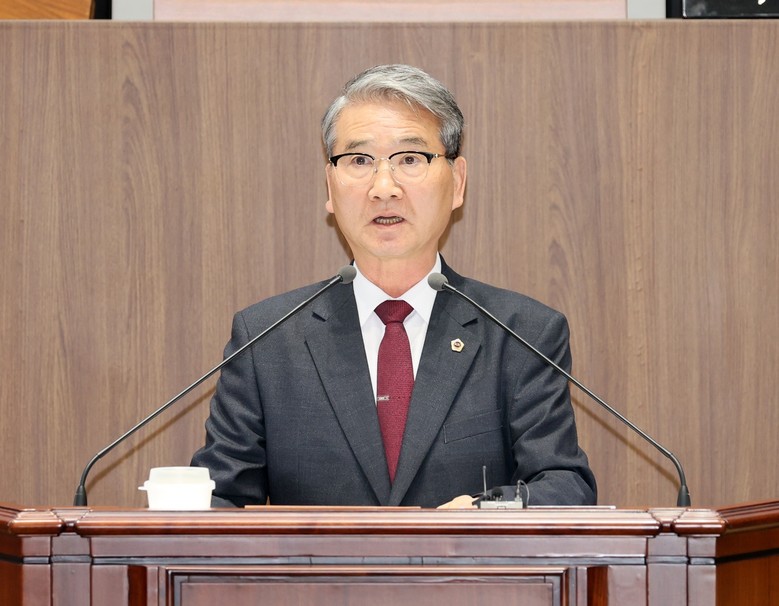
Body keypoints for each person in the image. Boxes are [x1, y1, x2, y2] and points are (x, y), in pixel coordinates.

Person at [191, 64, 596, 508]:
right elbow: (217, 499)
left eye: (410, 159)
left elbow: (565, 487)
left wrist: (482, 513)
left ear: (457, 182)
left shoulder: (521, 334)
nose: (384, 188)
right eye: (359, 161)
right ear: (330, 186)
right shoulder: (267, 339)